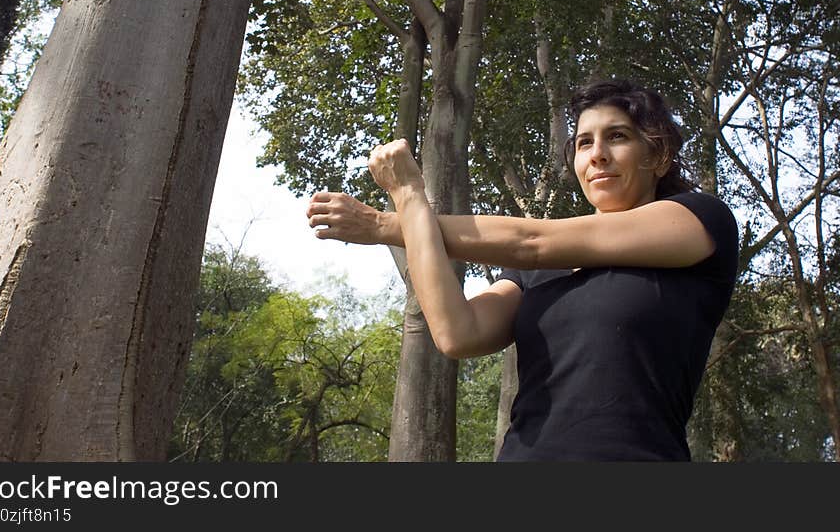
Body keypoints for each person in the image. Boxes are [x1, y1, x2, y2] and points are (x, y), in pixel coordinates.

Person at [305, 78, 739, 461]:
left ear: (658, 157)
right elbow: (458, 332)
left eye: (618, 137)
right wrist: (408, 199)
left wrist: (386, 222)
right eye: (585, 143)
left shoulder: (700, 219)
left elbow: (531, 241)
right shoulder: (542, 272)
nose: (598, 155)